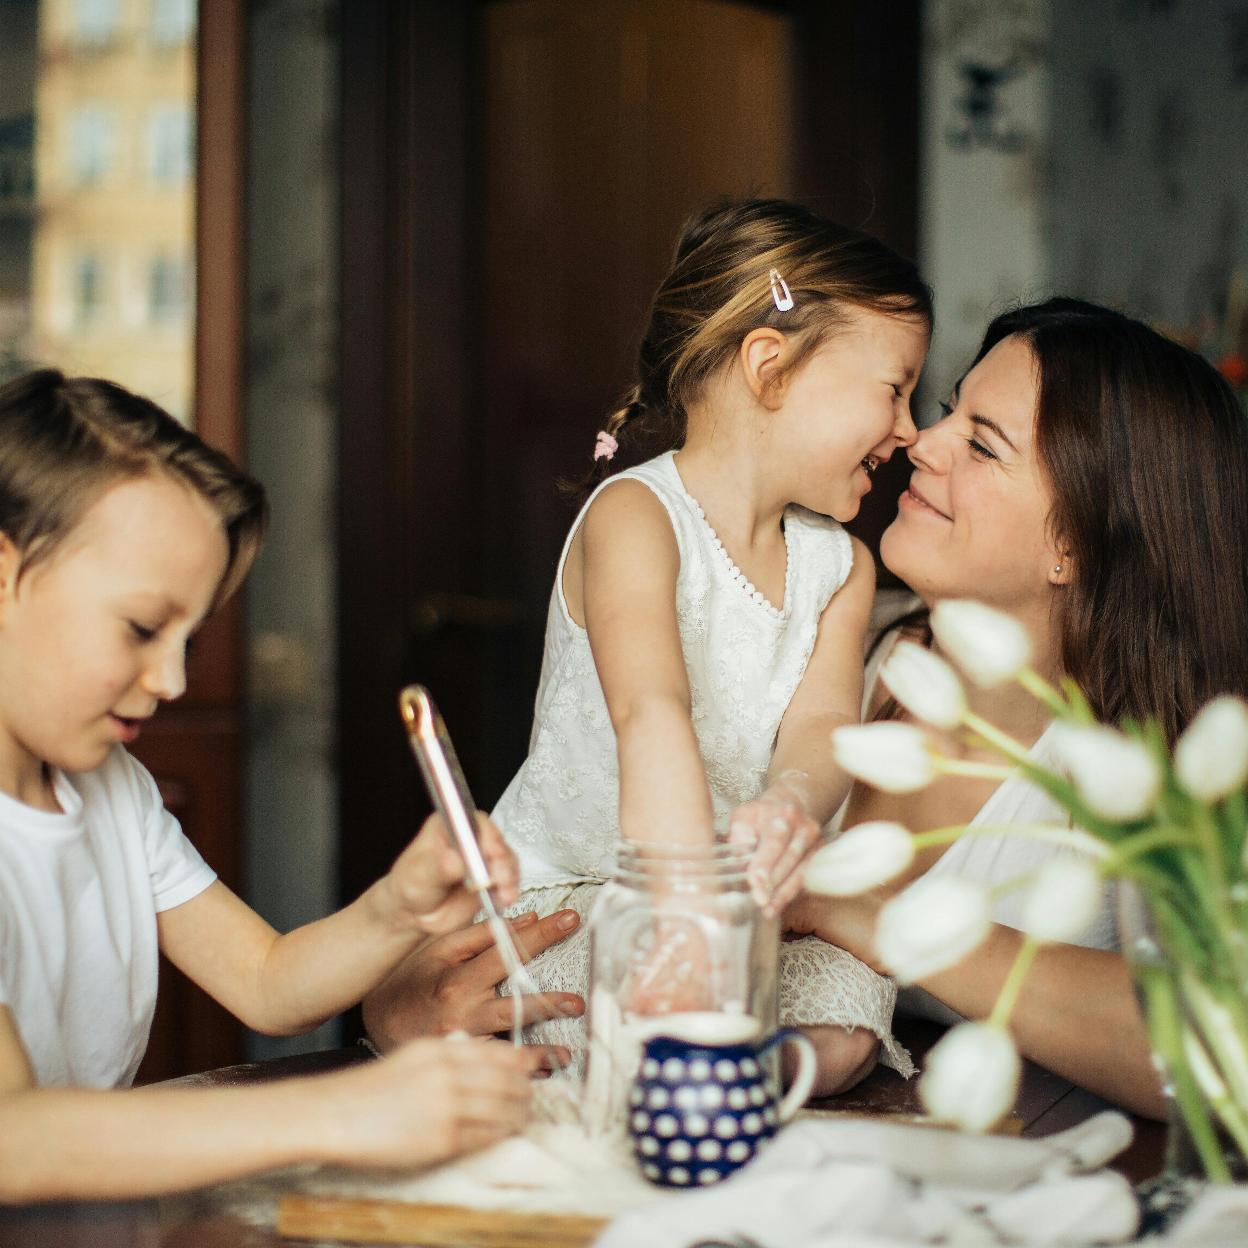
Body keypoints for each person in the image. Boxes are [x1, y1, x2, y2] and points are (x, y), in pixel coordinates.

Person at [0, 370, 544, 1203]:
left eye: (192, 634)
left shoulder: (115, 791)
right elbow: (16, 1139)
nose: (174, 678)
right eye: (144, 627)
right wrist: (337, 1112)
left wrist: (398, 906)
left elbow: (264, 981)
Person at [473, 199, 932, 1094]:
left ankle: (735, 1074)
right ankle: (685, 1063)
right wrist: (684, 923)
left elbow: (825, 723)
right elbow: (652, 714)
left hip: (735, 912)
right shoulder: (637, 517)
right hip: (583, 895)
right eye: (895, 389)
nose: (910, 430)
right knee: (620, 1012)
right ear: (771, 368)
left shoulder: (842, 566)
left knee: (850, 1009)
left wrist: (795, 803)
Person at [784, 297, 1248, 1119]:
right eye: (947, 411)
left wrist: (891, 922)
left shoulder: (1145, 773)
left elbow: (1218, 1045)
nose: (919, 443)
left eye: (982, 444)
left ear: (1074, 542)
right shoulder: (829, 640)